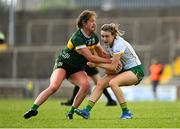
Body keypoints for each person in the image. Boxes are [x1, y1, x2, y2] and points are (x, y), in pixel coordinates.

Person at [23, 10, 111, 120]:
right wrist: (110, 62)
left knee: (85, 86)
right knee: (54, 86)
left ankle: (70, 112)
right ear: (84, 23)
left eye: (95, 21)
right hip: (64, 64)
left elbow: (101, 54)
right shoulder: (77, 37)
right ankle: (33, 109)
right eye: (91, 21)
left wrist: (115, 56)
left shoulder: (94, 37)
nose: (94, 23)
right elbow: (91, 58)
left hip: (77, 68)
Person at [74, 23, 144, 119]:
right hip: (124, 70)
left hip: (136, 70)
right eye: (102, 36)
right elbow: (111, 65)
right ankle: (86, 111)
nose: (104, 39)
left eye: (107, 36)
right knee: (100, 83)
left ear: (114, 35)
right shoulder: (108, 45)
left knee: (113, 83)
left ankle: (127, 113)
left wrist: (96, 64)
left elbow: (113, 67)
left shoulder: (118, 44)